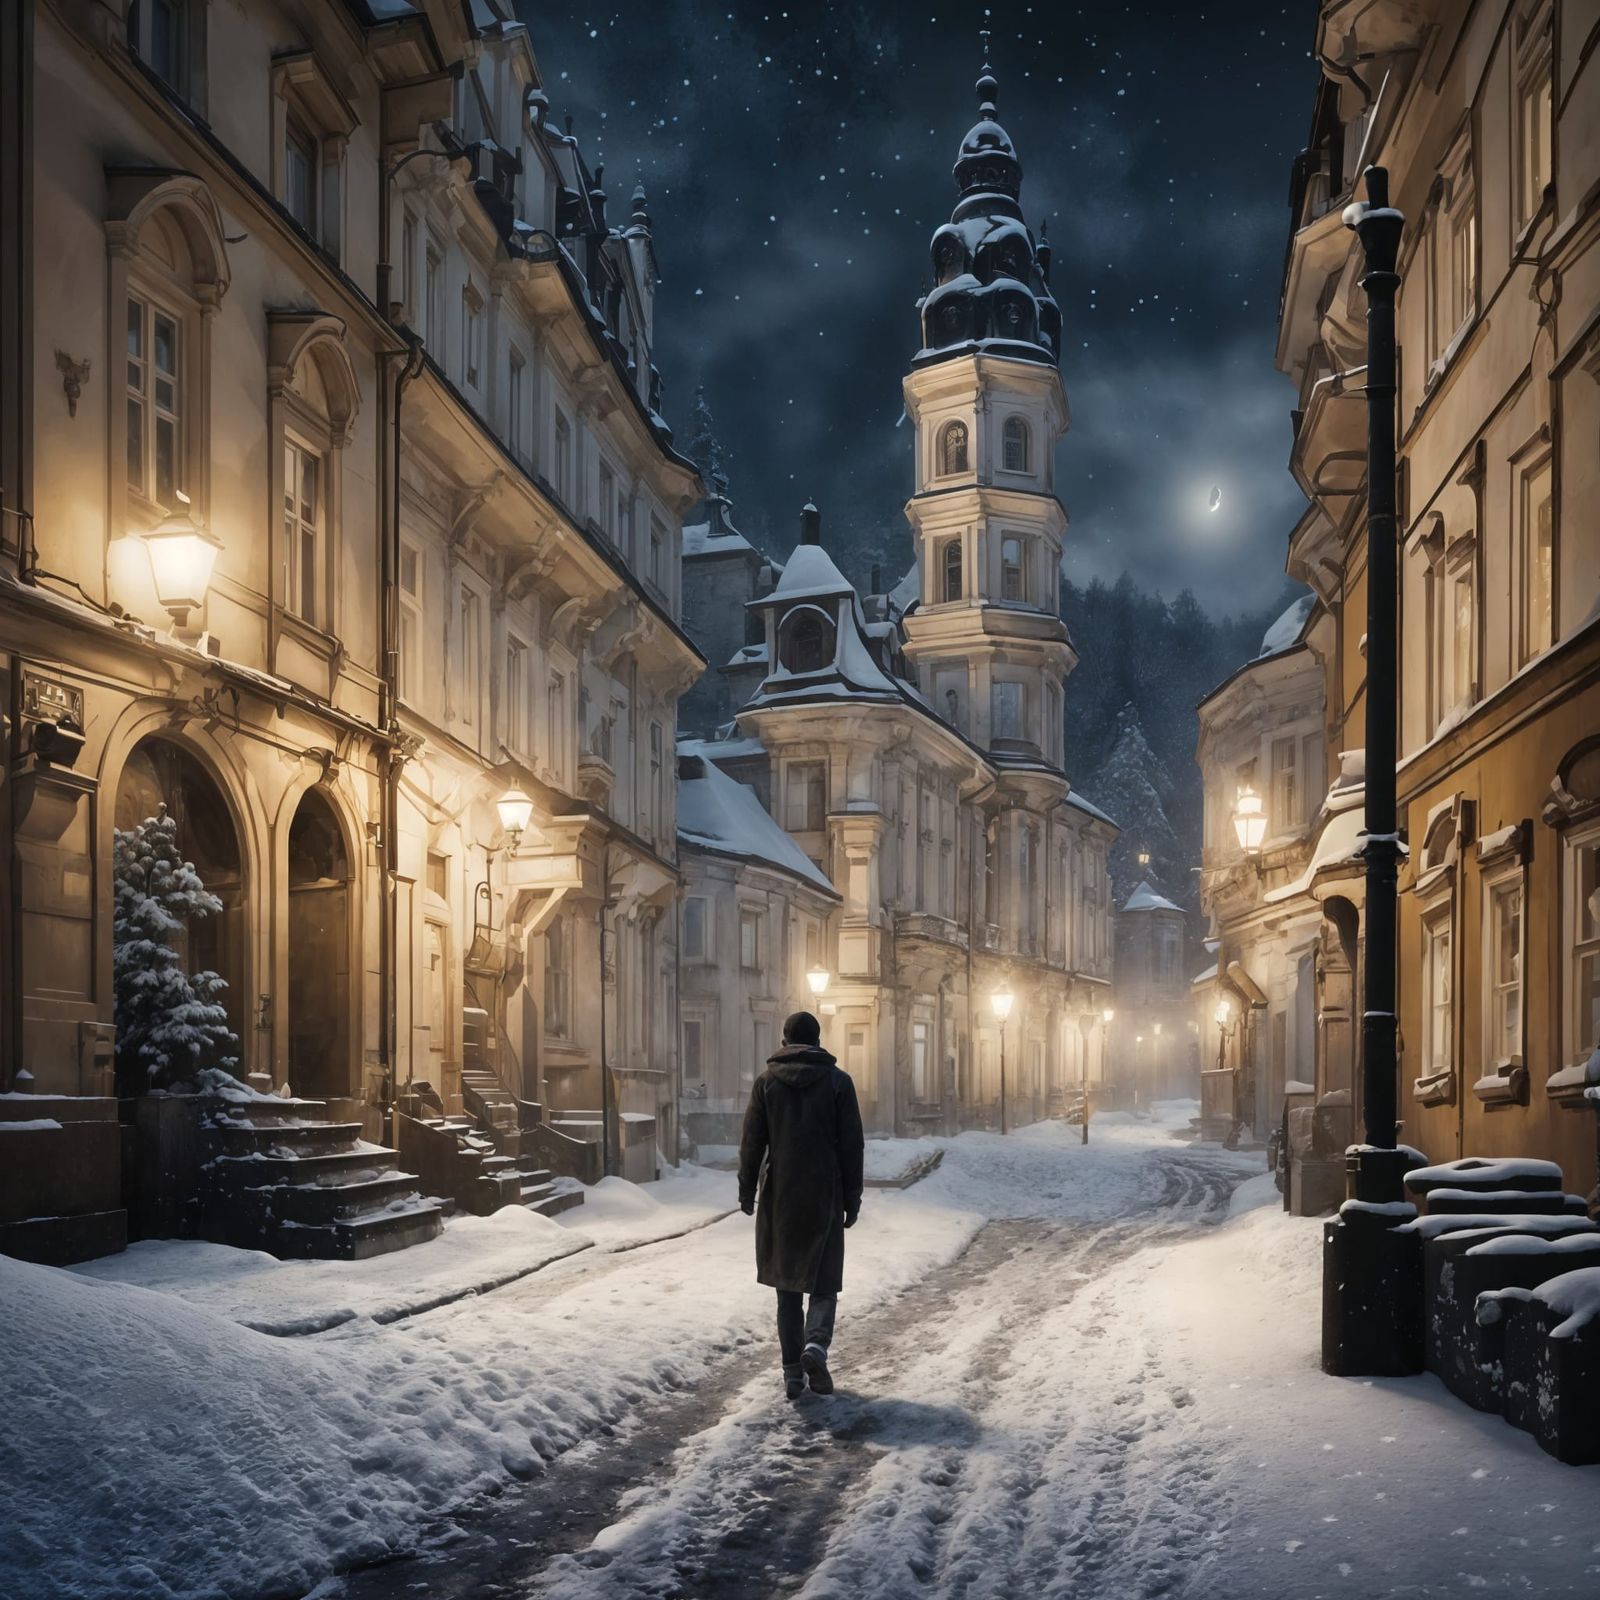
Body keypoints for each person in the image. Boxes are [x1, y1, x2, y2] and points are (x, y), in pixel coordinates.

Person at [737, 1009, 865, 1400]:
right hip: (824, 1192)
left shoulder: (765, 1084)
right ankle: (816, 1346)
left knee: (786, 1286)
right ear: (819, 1039)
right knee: (824, 1284)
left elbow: (752, 1143)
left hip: (780, 1196)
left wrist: (746, 1190)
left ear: (784, 1040)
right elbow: (852, 1146)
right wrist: (852, 1199)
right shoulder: (839, 1083)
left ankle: (793, 1373)